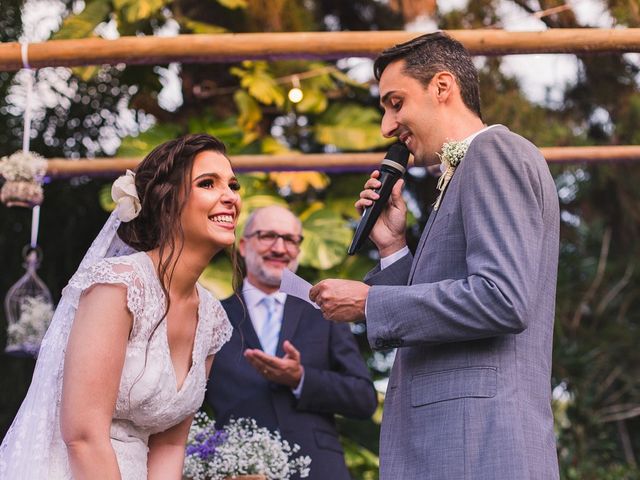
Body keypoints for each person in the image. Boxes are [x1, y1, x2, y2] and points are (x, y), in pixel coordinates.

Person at [309, 32, 560, 479]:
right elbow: (440, 312)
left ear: (442, 87)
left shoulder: (493, 152)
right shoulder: (463, 171)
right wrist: (392, 248)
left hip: (478, 448)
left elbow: (501, 298)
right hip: (452, 447)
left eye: (395, 103)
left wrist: (369, 303)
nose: (387, 126)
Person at [0, 133, 241, 479]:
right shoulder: (118, 285)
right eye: (208, 183)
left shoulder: (212, 319)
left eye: (233, 186)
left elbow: (170, 445)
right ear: (166, 201)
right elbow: (83, 436)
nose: (229, 197)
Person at [205, 205, 377, 480]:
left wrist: (301, 379)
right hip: (237, 471)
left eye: (290, 239)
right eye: (268, 236)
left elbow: (364, 398)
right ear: (244, 245)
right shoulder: (211, 316)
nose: (280, 247)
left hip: (319, 470)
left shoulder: (325, 313)